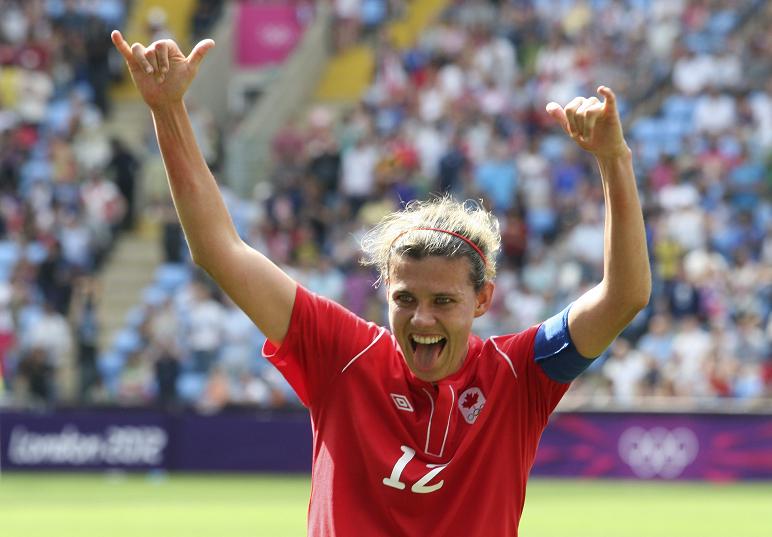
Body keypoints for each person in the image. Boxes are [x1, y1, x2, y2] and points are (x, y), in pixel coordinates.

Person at [111, 31, 651, 537]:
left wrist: (613, 162)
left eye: (444, 301)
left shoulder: (519, 375)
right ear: (383, 293)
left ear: (482, 299)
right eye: (405, 299)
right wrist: (167, 109)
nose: (421, 319)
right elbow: (219, 251)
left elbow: (624, 296)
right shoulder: (341, 353)